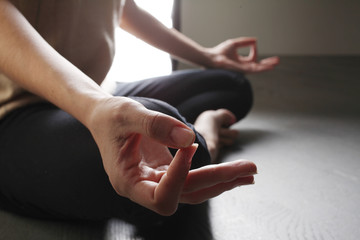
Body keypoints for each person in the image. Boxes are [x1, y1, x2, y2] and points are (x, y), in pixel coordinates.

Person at [0, 0, 279, 224]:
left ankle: (186, 132)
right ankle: (206, 133)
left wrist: (208, 57)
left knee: (230, 85)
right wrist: (97, 107)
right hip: (15, 112)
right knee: (171, 168)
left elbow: (124, 8)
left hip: (98, 94)